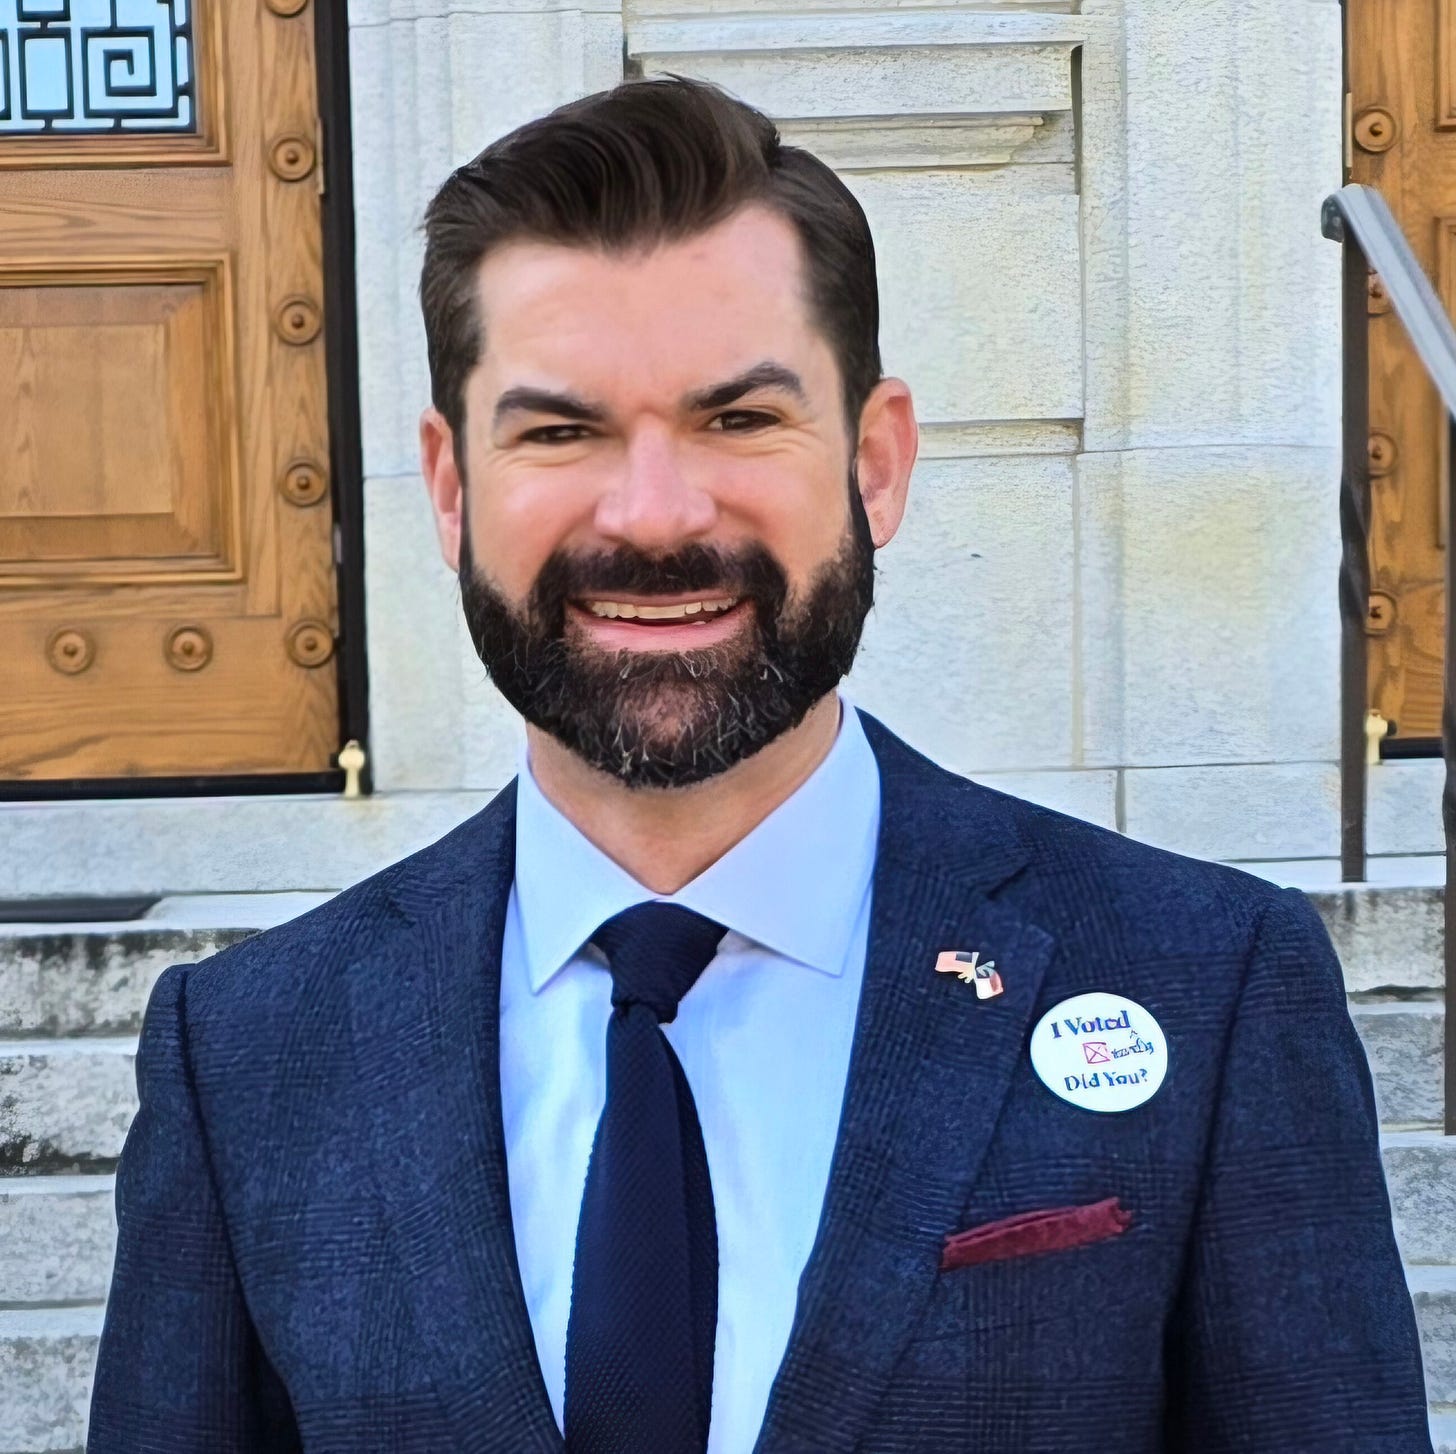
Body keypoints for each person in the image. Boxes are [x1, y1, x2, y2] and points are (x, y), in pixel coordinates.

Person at [87, 75, 1431, 1453]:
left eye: (738, 419)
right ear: (450, 487)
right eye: (560, 430)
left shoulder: (1207, 984)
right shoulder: (247, 1054)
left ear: (877, 462)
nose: (655, 515)